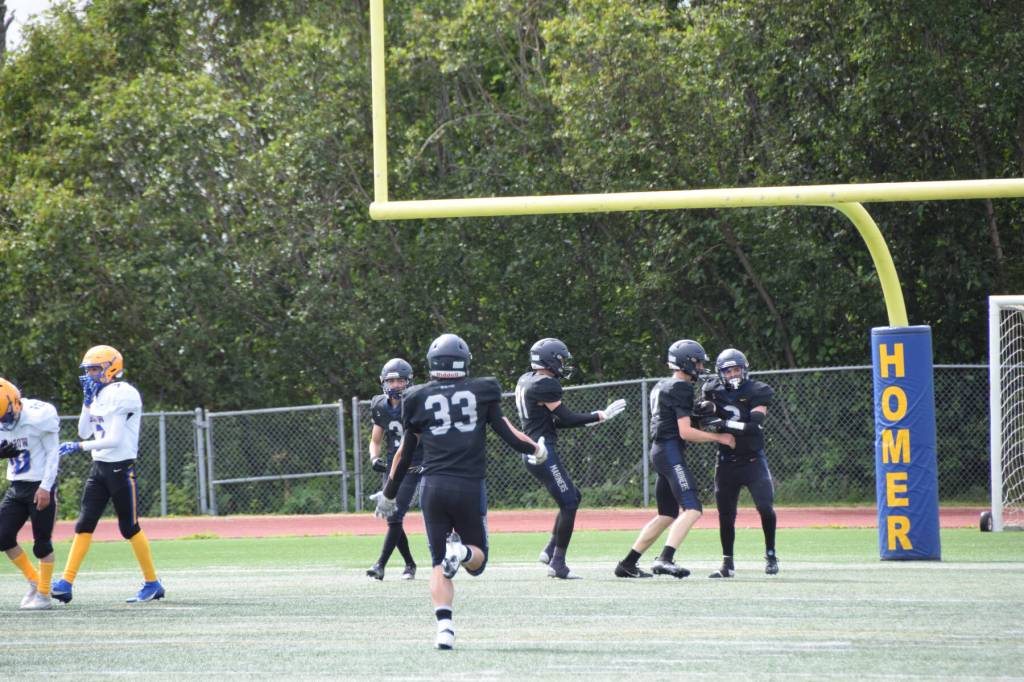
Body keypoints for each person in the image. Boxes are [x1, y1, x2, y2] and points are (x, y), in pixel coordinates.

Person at [370, 333, 548, 650]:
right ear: (464, 361)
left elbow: (404, 454)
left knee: (438, 564)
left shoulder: (416, 397)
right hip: (468, 485)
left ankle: (445, 630)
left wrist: (390, 493)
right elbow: (508, 434)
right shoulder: (483, 390)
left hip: (432, 487)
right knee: (476, 562)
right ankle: (462, 552)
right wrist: (536, 449)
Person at [52, 345, 165, 603]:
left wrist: (78, 447)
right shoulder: (100, 395)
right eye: (88, 369)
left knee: (129, 527)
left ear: (111, 368)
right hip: (99, 468)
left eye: (95, 368)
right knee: (84, 524)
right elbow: (84, 431)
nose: (90, 374)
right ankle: (66, 583)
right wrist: (86, 402)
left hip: (120, 469)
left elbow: (113, 440)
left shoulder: (124, 393)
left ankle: (152, 583)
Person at [615, 340, 735, 579]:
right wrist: (720, 437)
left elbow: (677, 419)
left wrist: (699, 411)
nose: (701, 368)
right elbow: (685, 432)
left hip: (660, 450)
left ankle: (627, 564)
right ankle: (665, 559)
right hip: (670, 450)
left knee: (666, 514)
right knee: (692, 508)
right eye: (698, 363)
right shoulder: (681, 387)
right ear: (686, 363)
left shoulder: (662, 385)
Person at [515, 338, 625, 579]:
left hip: (533, 449)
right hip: (542, 453)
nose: (562, 364)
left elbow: (550, 421)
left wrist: (594, 418)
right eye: (560, 359)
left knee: (573, 496)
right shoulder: (545, 384)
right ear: (549, 359)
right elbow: (566, 418)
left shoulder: (526, 379)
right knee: (569, 503)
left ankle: (550, 550)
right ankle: (558, 563)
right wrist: (600, 416)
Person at [700, 348, 777, 577]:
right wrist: (705, 413)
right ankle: (727, 564)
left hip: (753, 460)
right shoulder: (711, 389)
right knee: (726, 514)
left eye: (736, 369)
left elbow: (754, 426)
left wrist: (721, 423)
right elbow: (703, 418)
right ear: (720, 373)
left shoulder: (758, 390)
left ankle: (771, 554)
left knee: (765, 507)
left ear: (745, 370)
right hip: (726, 462)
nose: (733, 374)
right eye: (728, 370)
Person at [0, 378, 61, 610]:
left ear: (15, 403)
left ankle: (44, 595)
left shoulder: (39, 416)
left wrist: (46, 486)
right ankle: (35, 581)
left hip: (39, 485)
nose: (3, 422)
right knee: (3, 537)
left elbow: (53, 453)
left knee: (41, 543)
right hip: (16, 485)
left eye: (5, 416)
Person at [365, 358, 421, 581]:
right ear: (383, 382)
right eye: (391, 380)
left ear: (408, 382)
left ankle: (380, 565)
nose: (396, 385)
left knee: (405, 512)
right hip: (397, 467)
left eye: (400, 380)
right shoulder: (380, 405)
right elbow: (375, 439)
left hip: (421, 463)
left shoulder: (416, 403)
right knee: (393, 518)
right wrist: (374, 457)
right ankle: (409, 564)